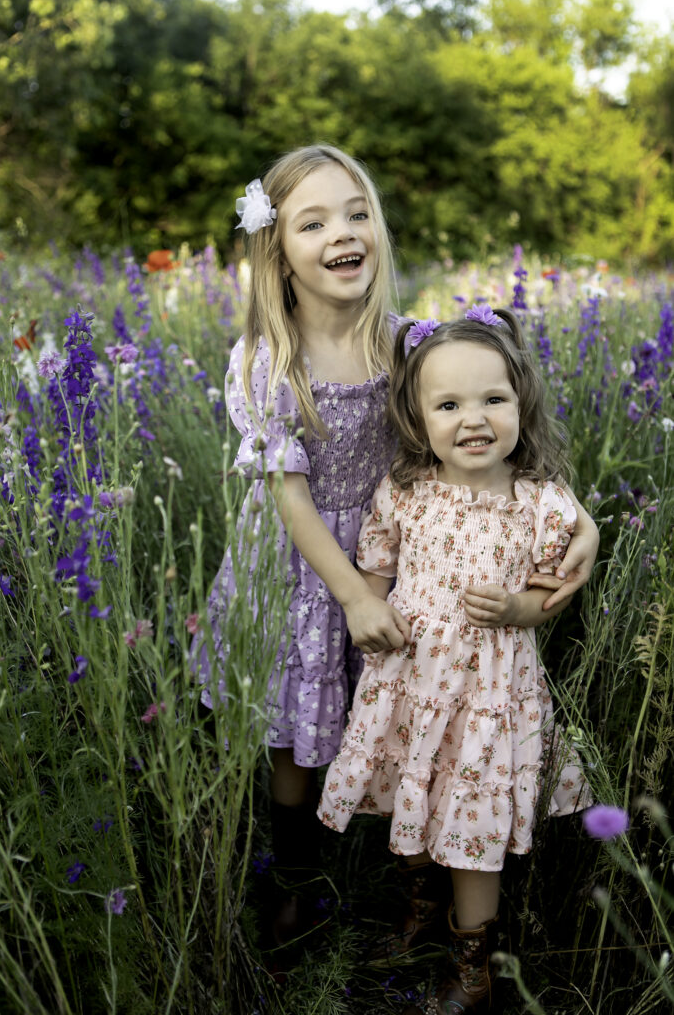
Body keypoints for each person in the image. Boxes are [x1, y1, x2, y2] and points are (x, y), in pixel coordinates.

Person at [191, 145, 597, 947]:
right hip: (304, 568)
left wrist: (582, 525)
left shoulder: (405, 344)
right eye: (313, 222)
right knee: (295, 737)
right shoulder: (264, 360)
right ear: (275, 249)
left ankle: (401, 874)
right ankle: (296, 879)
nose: (342, 233)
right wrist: (350, 594)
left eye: (356, 213)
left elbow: (506, 448)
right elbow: (290, 498)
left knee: (400, 715)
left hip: (408, 564)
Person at [317, 307, 592, 1013]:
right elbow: (375, 572)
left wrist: (514, 610)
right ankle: (419, 908)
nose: (473, 419)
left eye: (492, 400)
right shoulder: (404, 491)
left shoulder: (541, 504)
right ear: (416, 418)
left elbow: (547, 597)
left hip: (489, 695)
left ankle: (473, 962)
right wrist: (369, 616)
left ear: (520, 405)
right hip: (411, 683)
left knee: (474, 829)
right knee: (410, 800)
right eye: (448, 405)